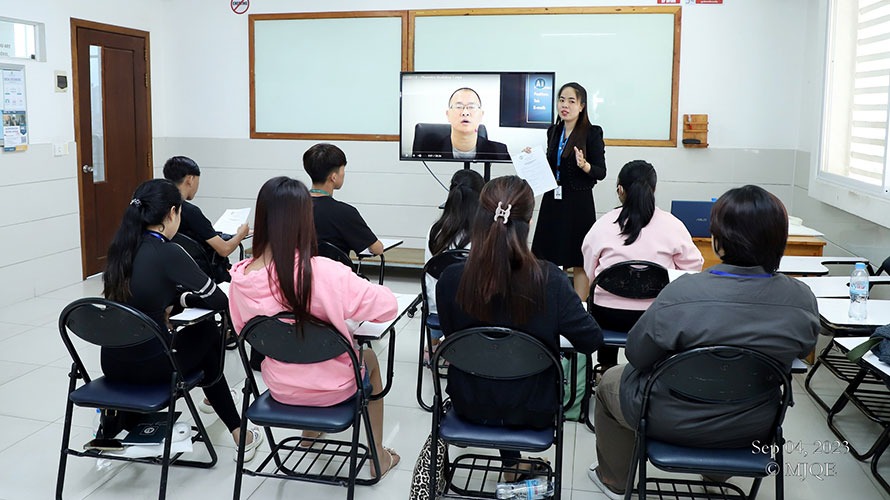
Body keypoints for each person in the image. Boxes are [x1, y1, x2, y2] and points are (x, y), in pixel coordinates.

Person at [586, 185, 820, 499]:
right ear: (779, 240)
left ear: (718, 241)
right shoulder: (801, 299)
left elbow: (637, 354)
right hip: (752, 424)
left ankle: (615, 480)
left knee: (609, 383)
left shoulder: (683, 292)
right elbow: (802, 350)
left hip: (667, 418)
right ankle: (716, 473)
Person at [227, 176, 401, 479]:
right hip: (334, 387)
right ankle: (378, 456)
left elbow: (248, 331)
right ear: (305, 220)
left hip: (280, 387)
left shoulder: (240, 279)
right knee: (370, 359)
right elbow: (387, 307)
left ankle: (308, 435)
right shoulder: (323, 272)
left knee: (297, 346)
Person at [436, 175, 603, 477]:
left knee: (495, 367)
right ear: (529, 220)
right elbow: (591, 339)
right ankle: (513, 464)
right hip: (534, 410)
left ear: (480, 217)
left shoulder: (450, 279)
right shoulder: (550, 280)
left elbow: (454, 339)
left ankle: (511, 464)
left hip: (469, 403)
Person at [101, 179, 262, 461]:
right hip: (151, 369)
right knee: (208, 333)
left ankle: (123, 421)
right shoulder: (168, 251)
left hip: (112, 364)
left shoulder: (121, 248)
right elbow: (218, 300)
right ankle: (239, 432)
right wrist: (185, 300)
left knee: (200, 345)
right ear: (172, 213)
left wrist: (179, 301)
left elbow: (146, 296)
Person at [581, 160, 703, 371]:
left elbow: (589, 271)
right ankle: (653, 370)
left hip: (608, 316)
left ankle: (605, 367)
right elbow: (693, 269)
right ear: (653, 190)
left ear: (620, 190)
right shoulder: (673, 225)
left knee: (600, 300)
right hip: (654, 317)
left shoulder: (603, 225)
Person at [530, 82, 607, 299]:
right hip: (553, 200)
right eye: (561, 100)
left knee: (579, 258)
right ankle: (553, 304)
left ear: (582, 106)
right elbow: (551, 165)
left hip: (578, 202)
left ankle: (579, 306)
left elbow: (601, 171)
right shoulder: (554, 131)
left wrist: (585, 165)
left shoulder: (592, 133)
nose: (565, 105)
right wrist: (532, 158)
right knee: (550, 256)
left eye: (571, 101)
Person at [163, 156, 250, 283]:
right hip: (206, 275)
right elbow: (224, 250)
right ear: (190, 179)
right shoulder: (190, 212)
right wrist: (241, 234)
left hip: (177, 273)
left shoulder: (160, 207)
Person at [423, 168, 484, 341]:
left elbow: (429, 271)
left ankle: (433, 345)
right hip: (477, 312)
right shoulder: (487, 233)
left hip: (438, 309)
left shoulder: (435, 231)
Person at [303, 143, 384, 256]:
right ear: (333, 177)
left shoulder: (292, 207)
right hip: (334, 267)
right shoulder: (345, 212)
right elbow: (377, 249)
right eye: (343, 169)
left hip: (299, 267)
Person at [424, 87, 510, 161]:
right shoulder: (429, 150)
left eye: (471, 107)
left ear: (481, 115)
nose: (465, 113)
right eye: (459, 107)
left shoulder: (499, 152)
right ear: (448, 115)